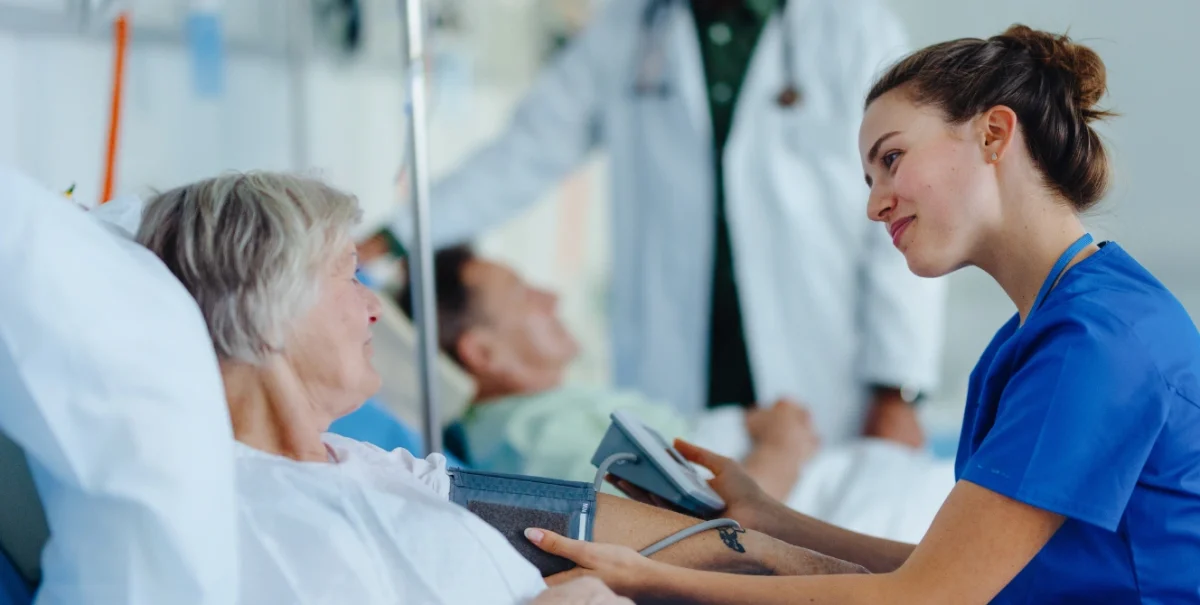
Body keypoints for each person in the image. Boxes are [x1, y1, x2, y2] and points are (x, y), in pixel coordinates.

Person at [518, 25, 1200, 603]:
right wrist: (771, 520)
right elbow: (947, 572)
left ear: (994, 134)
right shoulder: (1045, 329)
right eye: (871, 178)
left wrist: (651, 576)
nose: (875, 205)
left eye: (891, 159)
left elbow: (926, 596)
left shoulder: (1094, 342)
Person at [134, 171, 865, 604]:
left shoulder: (370, 466)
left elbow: (712, 544)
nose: (373, 307)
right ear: (268, 309)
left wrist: (870, 579)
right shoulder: (254, 518)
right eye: (344, 276)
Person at [361, 0, 946, 448]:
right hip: (676, 365)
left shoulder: (853, 28)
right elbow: (523, 154)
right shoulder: (629, 29)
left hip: (822, 366)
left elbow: (903, 206)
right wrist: (396, 236)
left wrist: (898, 388)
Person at [392, 246, 954, 542]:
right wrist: (780, 446)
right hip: (820, 507)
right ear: (483, 353)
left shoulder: (545, 411)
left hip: (829, 487)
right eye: (524, 296)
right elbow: (695, 541)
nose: (551, 297)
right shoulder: (532, 438)